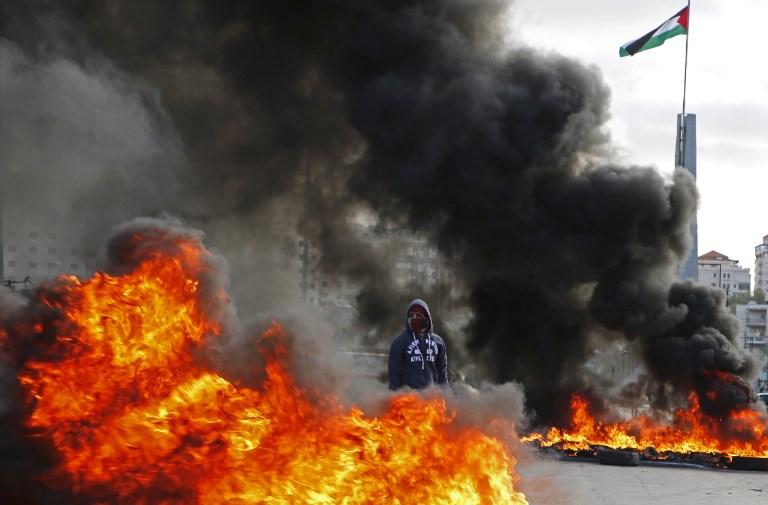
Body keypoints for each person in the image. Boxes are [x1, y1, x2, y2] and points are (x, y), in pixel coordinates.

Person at [388, 298, 448, 390]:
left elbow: (442, 374)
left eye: (418, 316)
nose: (414, 319)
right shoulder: (399, 342)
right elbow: (394, 376)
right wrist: (395, 397)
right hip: (409, 399)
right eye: (411, 315)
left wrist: (446, 396)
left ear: (426, 318)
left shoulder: (438, 342)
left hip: (432, 398)